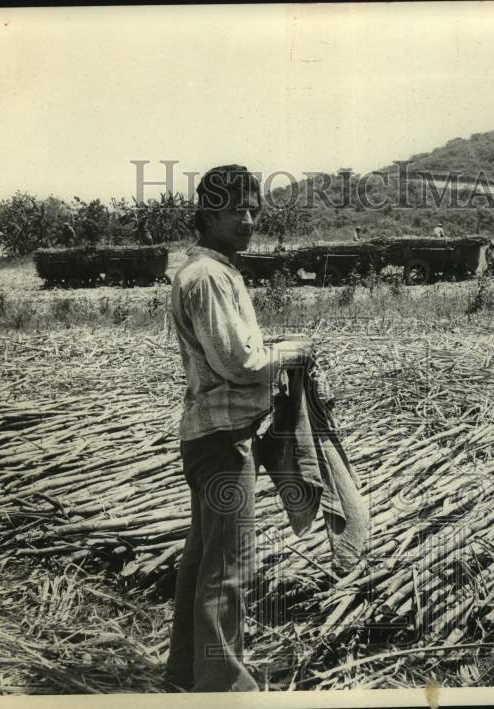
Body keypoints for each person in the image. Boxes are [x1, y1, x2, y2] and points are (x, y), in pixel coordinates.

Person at [165, 165, 312, 693]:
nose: (248, 219)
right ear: (208, 213)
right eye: (235, 210)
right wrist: (293, 350)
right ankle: (226, 690)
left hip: (211, 436)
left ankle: (186, 675)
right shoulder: (206, 276)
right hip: (223, 441)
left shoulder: (216, 271)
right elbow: (239, 363)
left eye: (254, 208)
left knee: (204, 560)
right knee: (227, 570)